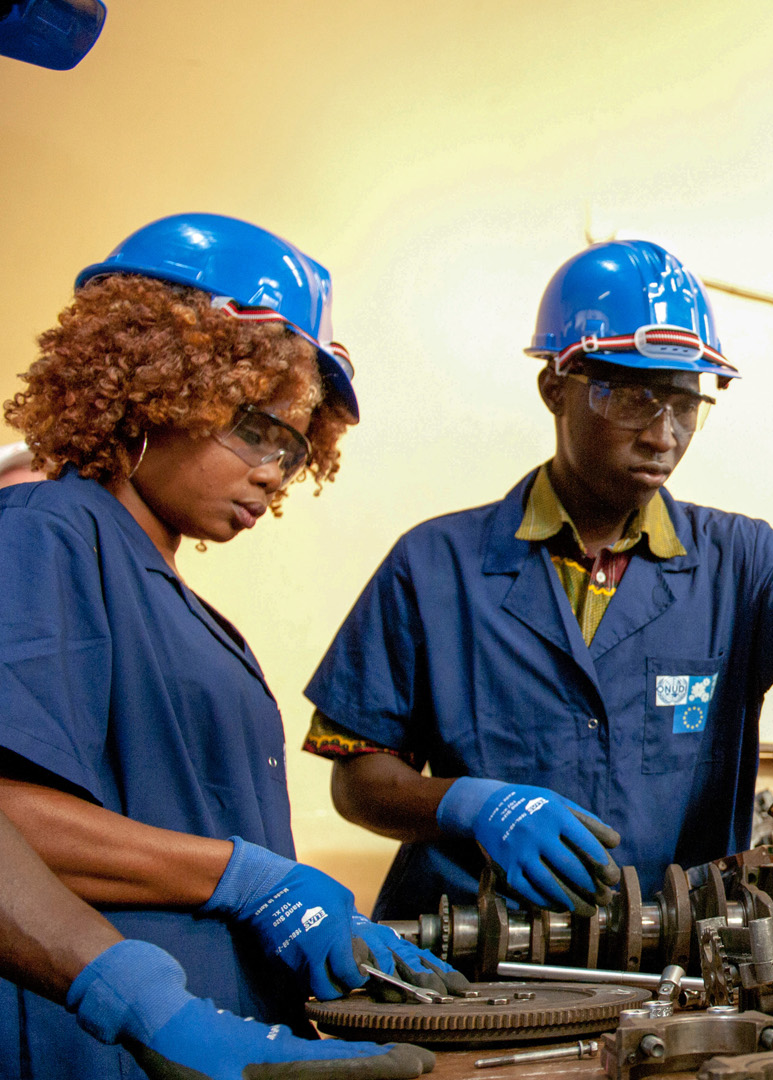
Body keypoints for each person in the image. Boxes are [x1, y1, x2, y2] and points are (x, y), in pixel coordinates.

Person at [305, 242, 773, 920]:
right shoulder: (435, 566)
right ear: (555, 387)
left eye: (684, 401)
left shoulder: (741, 562)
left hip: (669, 959)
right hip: (471, 948)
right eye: (633, 394)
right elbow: (361, 777)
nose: (663, 431)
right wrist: (470, 805)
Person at [0, 213, 463, 1078]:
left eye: (294, 450)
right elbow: (10, 818)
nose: (272, 473)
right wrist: (252, 881)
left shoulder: (172, 594)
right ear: (154, 386)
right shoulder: (47, 533)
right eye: (253, 429)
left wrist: (306, 923)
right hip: (98, 1045)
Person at [0, 810, 434, 1079]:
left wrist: (301, 907)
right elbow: (13, 815)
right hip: (104, 1049)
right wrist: (134, 995)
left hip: (256, 1028)